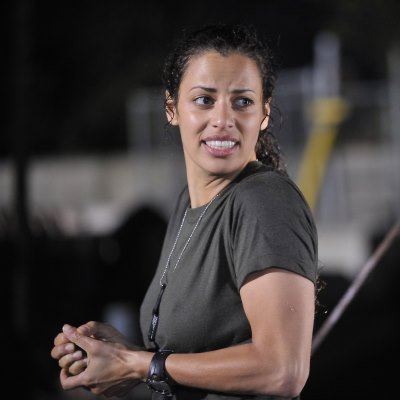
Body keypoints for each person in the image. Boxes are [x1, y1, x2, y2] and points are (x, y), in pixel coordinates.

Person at [50, 24, 319, 400]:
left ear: (264, 113)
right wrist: (121, 357)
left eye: (242, 102)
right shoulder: (187, 203)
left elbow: (282, 370)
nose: (223, 118)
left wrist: (137, 364)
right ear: (172, 108)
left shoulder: (264, 201)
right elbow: (192, 358)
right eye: (204, 100)